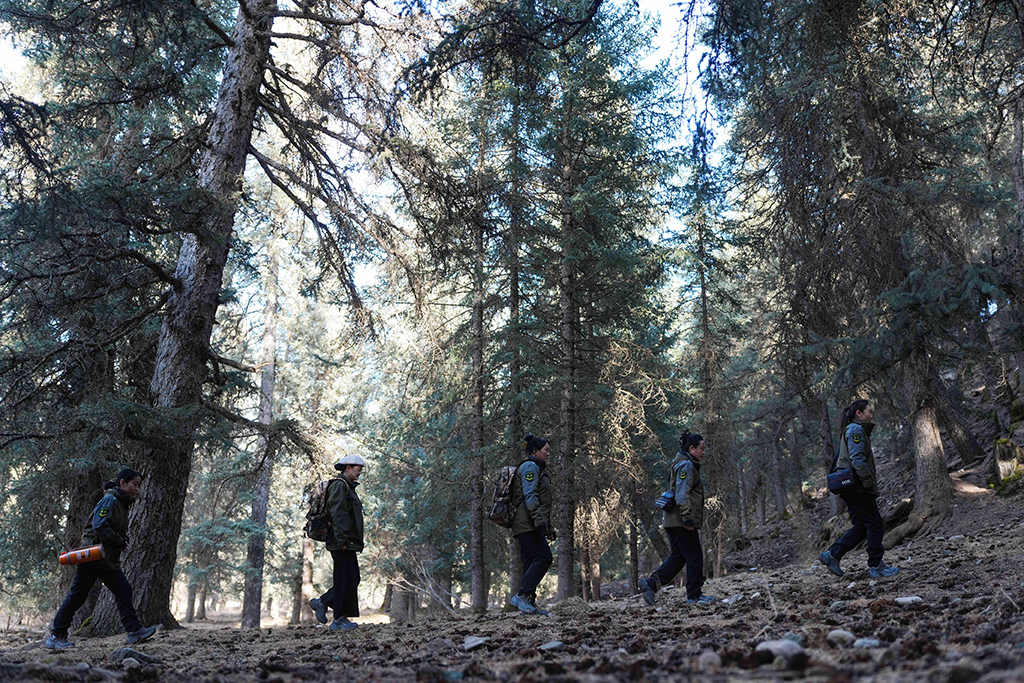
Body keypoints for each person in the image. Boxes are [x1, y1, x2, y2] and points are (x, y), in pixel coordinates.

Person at [45, 468, 159, 650]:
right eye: (134, 484)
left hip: (107, 560)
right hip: (92, 558)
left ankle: (134, 631)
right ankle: (56, 636)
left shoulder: (121, 503)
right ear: (123, 483)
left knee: (123, 589)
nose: (137, 489)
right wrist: (118, 540)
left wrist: (119, 541)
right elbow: (99, 525)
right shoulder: (110, 500)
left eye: (139, 485)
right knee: (77, 597)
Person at [820, 400, 899, 578]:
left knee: (862, 526)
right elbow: (857, 458)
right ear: (859, 413)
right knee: (874, 524)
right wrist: (867, 481)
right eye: (869, 411)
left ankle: (832, 555)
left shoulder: (854, 430)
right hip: (858, 487)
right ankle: (876, 565)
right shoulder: (856, 430)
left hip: (852, 487)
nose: (871, 415)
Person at [641, 430, 715, 606]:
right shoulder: (686, 466)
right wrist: (687, 518)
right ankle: (694, 596)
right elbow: (682, 494)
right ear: (691, 448)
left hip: (674, 520)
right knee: (695, 556)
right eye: (701, 448)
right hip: (681, 521)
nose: (704, 452)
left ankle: (651, 585)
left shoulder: (682, 463)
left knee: (679, 558)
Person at [310, 454, 365, 631]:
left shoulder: (347, 487)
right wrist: (342, 539)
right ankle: (338, 619)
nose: (359, 474)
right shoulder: (340, 486)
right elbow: (338, 514)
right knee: (344, 579)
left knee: (352, 578)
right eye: (357, 471)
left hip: (346, 541)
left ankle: (323, 602)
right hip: (341, 541)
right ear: (348, 468)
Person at [508, 435, 555, 615]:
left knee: (530, 563)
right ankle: (521, 596)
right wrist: (540, 523)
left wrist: (547, 528)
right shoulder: (530, 467)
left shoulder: (537, 469)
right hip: (527, 523)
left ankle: (528, 606)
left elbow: (543, 502)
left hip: (530, 523)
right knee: (544, 557)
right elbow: (531, 497)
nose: (548, 454)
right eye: (546, 450)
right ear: (535, 451)